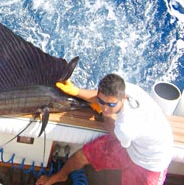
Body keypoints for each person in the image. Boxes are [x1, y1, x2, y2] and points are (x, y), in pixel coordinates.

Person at [36, 73, 173, 185]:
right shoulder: (126, 88)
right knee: (81, 156)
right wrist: (76, 91)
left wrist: (103, 114)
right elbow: (99, 96)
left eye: (111, 104)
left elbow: (112, 129)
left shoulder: (125, 127)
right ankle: (60, 176)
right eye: (101, 102)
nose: (105, 107)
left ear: (123, 98)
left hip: (149, 164)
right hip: (130, 144)